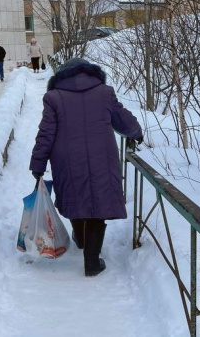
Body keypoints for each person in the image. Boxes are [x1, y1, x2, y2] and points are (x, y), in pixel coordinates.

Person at [29, 58, 143, 277]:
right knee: (97, 203)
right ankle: (91, 261)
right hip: (102, 156)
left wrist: (38, 164)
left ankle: (80, 239)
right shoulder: (104, 92)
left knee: (75, 196)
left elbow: (46, 133)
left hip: (66, 159)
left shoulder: (54, 97)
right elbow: (122, 119)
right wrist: (136, 133)